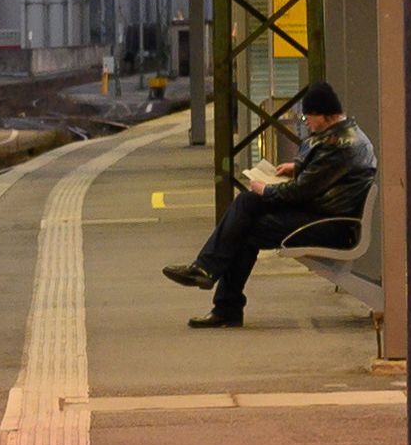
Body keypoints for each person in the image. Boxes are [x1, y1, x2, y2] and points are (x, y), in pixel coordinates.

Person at [161, 85, 376, 327]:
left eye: (308, 118)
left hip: (328, 225)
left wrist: (267, 189)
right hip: (327, 216)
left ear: (324, 114)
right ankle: (211, 282)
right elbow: (327, 175)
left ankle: (216, 288)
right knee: (245, 211)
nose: (307, 124)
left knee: (245, 222)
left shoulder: (340, 145)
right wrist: (295, 168)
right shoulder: (349, 136)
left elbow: (300, 191)